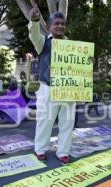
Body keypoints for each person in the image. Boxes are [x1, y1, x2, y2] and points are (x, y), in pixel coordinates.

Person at [29, 8, 75, 164]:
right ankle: (40, 149)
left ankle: (63, 152)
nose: (60, 26)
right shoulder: (43, 42)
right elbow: (33, 35)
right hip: (48, 88)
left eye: (62, 24)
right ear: (49, 26)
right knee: (45, 121)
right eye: (56, 24)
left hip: (68, 89)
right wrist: (34, 21)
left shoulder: (73, 46)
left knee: (67, 123)